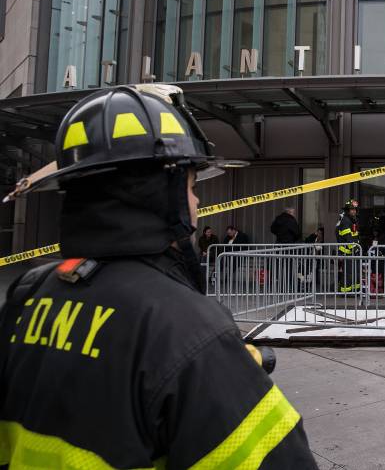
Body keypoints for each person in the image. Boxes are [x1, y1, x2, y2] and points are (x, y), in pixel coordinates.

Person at [0, 84, 318, 467]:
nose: (198, 202)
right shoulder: (186, 329)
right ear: (159, 193)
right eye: (191, 186)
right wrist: (218, 371)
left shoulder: (27, 295)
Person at [336, 199, 361, 292]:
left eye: (355, 209)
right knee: (349, 273)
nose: (354, 211)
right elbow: (348, 237)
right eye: (351, 209)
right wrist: (355, 248)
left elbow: (355, 235)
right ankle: (346, 292)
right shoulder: (346, 221)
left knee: (356, 272)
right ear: (347, 210)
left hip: (353, 252)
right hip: (348, 252)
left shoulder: (352, 220)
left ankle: (355, 291)